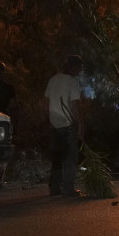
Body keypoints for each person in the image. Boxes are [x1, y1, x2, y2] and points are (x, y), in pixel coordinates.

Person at [44, 55, 85, 197]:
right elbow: (74, 106)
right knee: (70, 157)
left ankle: (54, 188)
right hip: (67, 123)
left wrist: (49, 119)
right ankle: (68, 188)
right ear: (73, 67)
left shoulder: (53, 79)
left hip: (54, 123)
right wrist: (80, 125)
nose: (80, 71)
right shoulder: (72, 82)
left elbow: (46, 102)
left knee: (57, 157)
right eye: (79, 68)